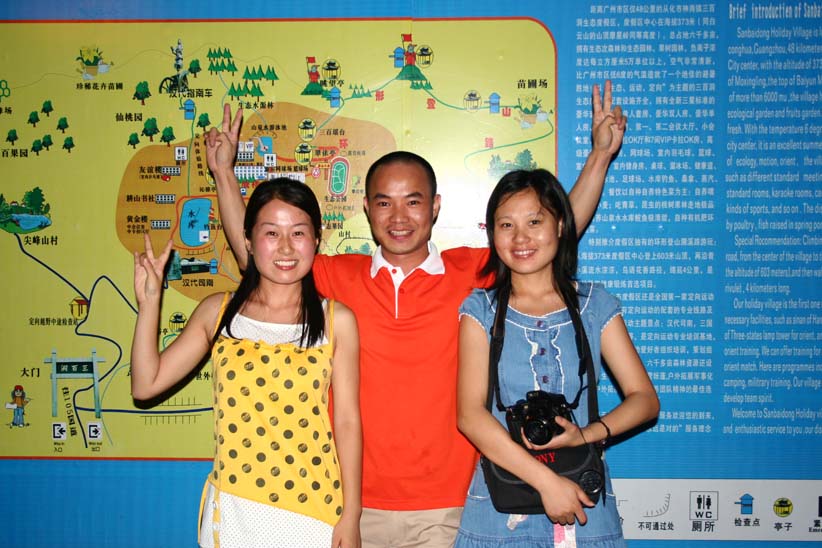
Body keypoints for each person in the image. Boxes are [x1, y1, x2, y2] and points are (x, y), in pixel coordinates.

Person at [205, 82, 626, 547]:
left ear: (435, 207)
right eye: (384, 202)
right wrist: (223, 173)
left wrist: (599, 156)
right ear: (367, 209)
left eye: (413, 201)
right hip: (350, 505)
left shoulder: (470, 273)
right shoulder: (334, 276)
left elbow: (548, 238)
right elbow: (258, 259)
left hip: (447, 507)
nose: (399, 216)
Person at [130, 178, 362, 548]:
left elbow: (347, 422)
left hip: (314, 511)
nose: (285, 247)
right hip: (234, 509)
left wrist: (351, 515)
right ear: (249, 241)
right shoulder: (218, 312)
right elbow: (146, 385)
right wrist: (149, 304)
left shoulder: (337, 320)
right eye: (271, 233)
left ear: (316, 239)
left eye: (298, 232)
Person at [455, 169, 660, 547]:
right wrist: (547, 483)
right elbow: (470, 415)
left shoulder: (594, 304)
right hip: (499, 510)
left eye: (535, 222)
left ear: (561, 225)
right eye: (506, 225)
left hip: (585, 505)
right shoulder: (481, 309)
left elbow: (645, 400)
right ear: (493, 234)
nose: (520, 238)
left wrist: (585, 435)